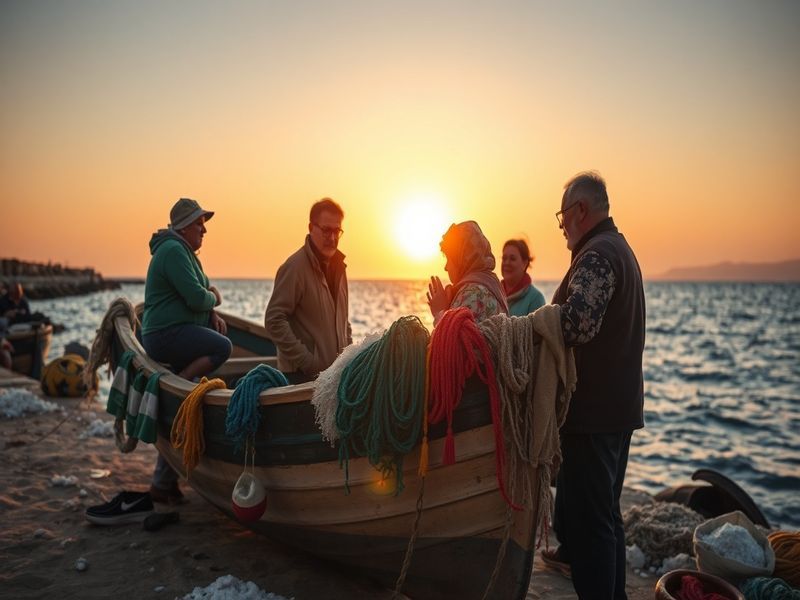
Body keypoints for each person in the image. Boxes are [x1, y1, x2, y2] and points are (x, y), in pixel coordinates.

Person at [544, 172, 645, 600]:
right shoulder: (619, 249)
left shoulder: (598, 253)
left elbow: (575, 324)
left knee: (590, 529)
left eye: (562, 216)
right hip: (616, 413)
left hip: (593, 418)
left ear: (580, 211)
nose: (562, 226)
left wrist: (529, 325)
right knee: (606, 519)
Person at [141, 197, 232, 503]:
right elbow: (198, 297)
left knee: (183, 405)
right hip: (164, 336)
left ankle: (164, 483)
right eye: (198, 224)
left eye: (203, 224)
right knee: (222, 347)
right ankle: (183, 377)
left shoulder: (186, 253)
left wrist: (212, 310)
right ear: (183, 226)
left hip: (177, 333)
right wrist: (213, 300)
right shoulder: (172, 252)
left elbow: (202, 289)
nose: (203, 231)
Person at [265, 198, 352, 384]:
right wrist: (307, 362)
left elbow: (344, 322)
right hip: (301, 379)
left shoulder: (340, 268)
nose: (332, 238)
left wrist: (350, 358)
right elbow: (274, 319)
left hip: (334, 379)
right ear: (311, 227)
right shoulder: (294, 268)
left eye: (337, 231)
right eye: (326, 230)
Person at [427, 220, 509, 325]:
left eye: (449, 259)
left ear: (461, 259)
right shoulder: (491, 283)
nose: (446, 267)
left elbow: (453, 339)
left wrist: (439, 312)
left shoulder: (472, 293)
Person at [501, 239, 546, 316]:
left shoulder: (535, 299)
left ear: (525, 263)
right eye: (504, 258)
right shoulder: (493, 294)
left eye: (512, 259)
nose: (507, 263)